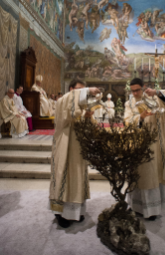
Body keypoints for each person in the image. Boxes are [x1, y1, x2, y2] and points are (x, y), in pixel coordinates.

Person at [124, 78, 165, 220]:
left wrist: (158, 93)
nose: (135, 93)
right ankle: (137, 206)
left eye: (137, 90)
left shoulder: (155, 98)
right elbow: (127, 121)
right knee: (142, 175)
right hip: (140, 144)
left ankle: (153, 209)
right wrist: (140, 117)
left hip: (156, 143)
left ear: (143, 88)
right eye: (133, 91)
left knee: (155, 174)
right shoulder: (129, 103)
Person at [49, 79, 100, 228]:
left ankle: (75, 211)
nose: (81, 94)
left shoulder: (80, 105)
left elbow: (88, 124)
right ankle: (60, 213)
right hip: (65, 145)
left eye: (82, 91)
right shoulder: (62, 101)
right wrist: (88, 91)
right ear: (70, 89)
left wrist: (88, 117)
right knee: (63, 176)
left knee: (77, 177)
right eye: (78, 90)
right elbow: (70, 114)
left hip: (78, 148)